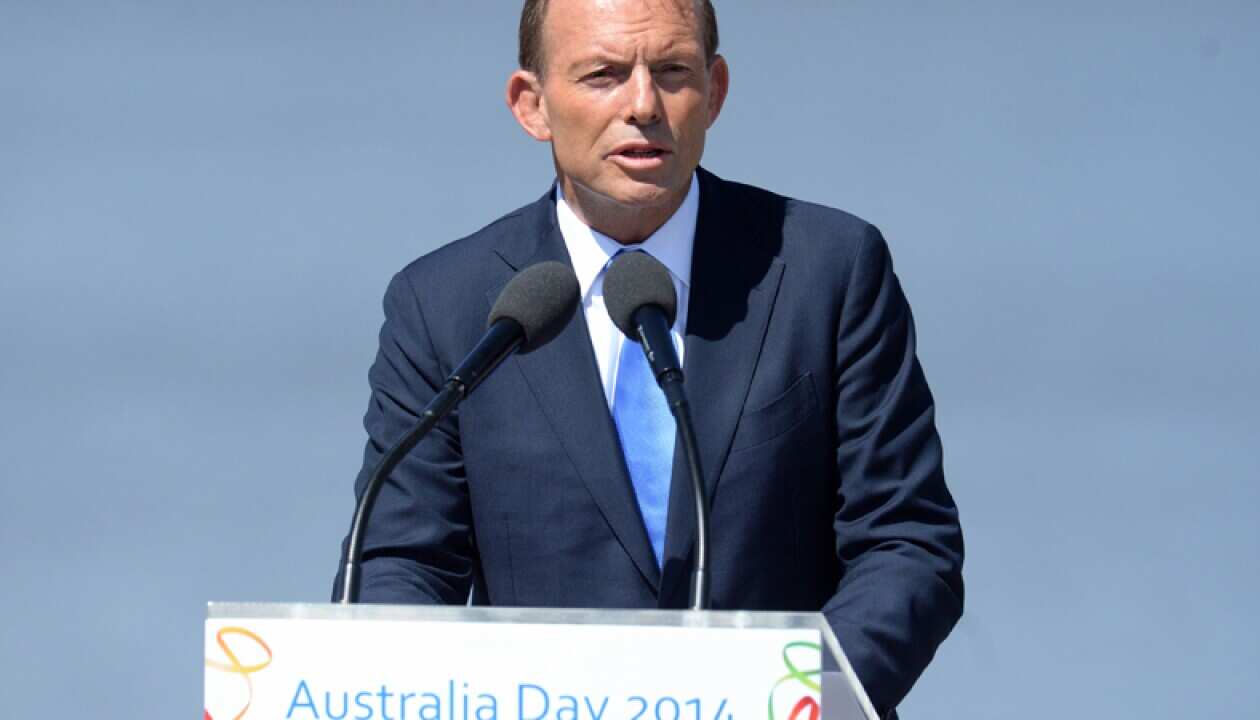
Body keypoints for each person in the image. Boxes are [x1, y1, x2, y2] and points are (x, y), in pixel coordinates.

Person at [334, 0, 964, 715]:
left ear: (715, 91)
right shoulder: (445, 305)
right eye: (603, 75)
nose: (643, 105)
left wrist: (796, 705)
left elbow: (907, 546)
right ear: (532, 105)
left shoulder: (828, 271)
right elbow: (402, 565)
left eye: (672, 72)